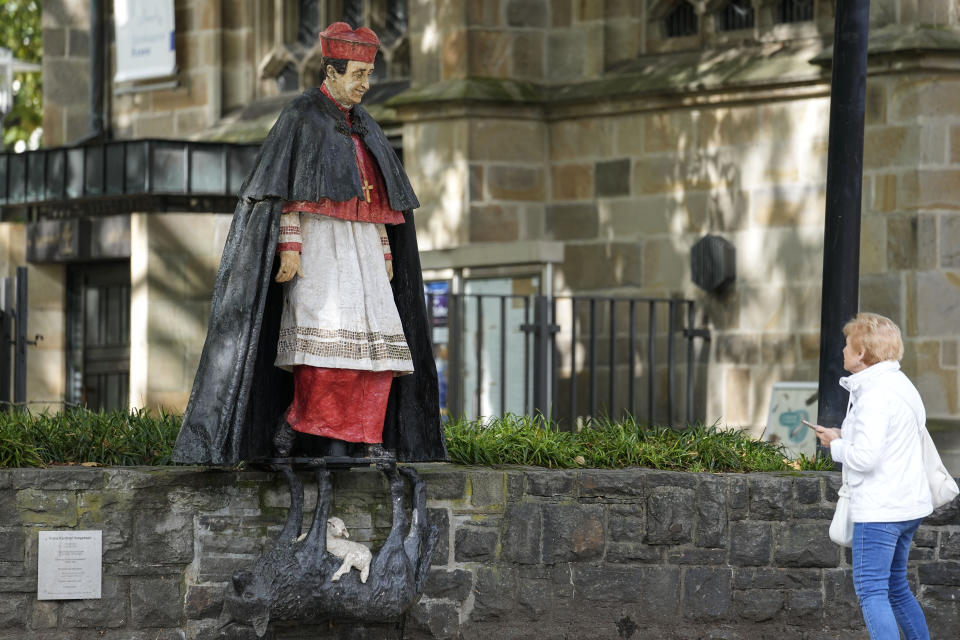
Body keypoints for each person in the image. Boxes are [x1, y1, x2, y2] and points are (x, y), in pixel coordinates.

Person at [170, 22, 446, 465]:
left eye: (368, 74)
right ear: (332, 72)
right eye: (357, 74)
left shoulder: (366, 126)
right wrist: (291, 246)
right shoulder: (300, 116)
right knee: (325, 348)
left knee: (379, 349)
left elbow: (378, 199)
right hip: (320, 249)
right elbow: (284, 192)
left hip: (363, 253)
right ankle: (304, 427)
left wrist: (386, 250)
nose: (365, 84)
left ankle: (364, 434)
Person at [812, 312, 932, 639]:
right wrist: (843, 437)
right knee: (896, 588)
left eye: (848, 345)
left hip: (881, 509)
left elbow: (865, 457)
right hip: (907, 505)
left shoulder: (874, 394)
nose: (843, 351)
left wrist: (834, 444)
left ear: (862, 352)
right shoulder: (899, 384)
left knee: (872, 591)